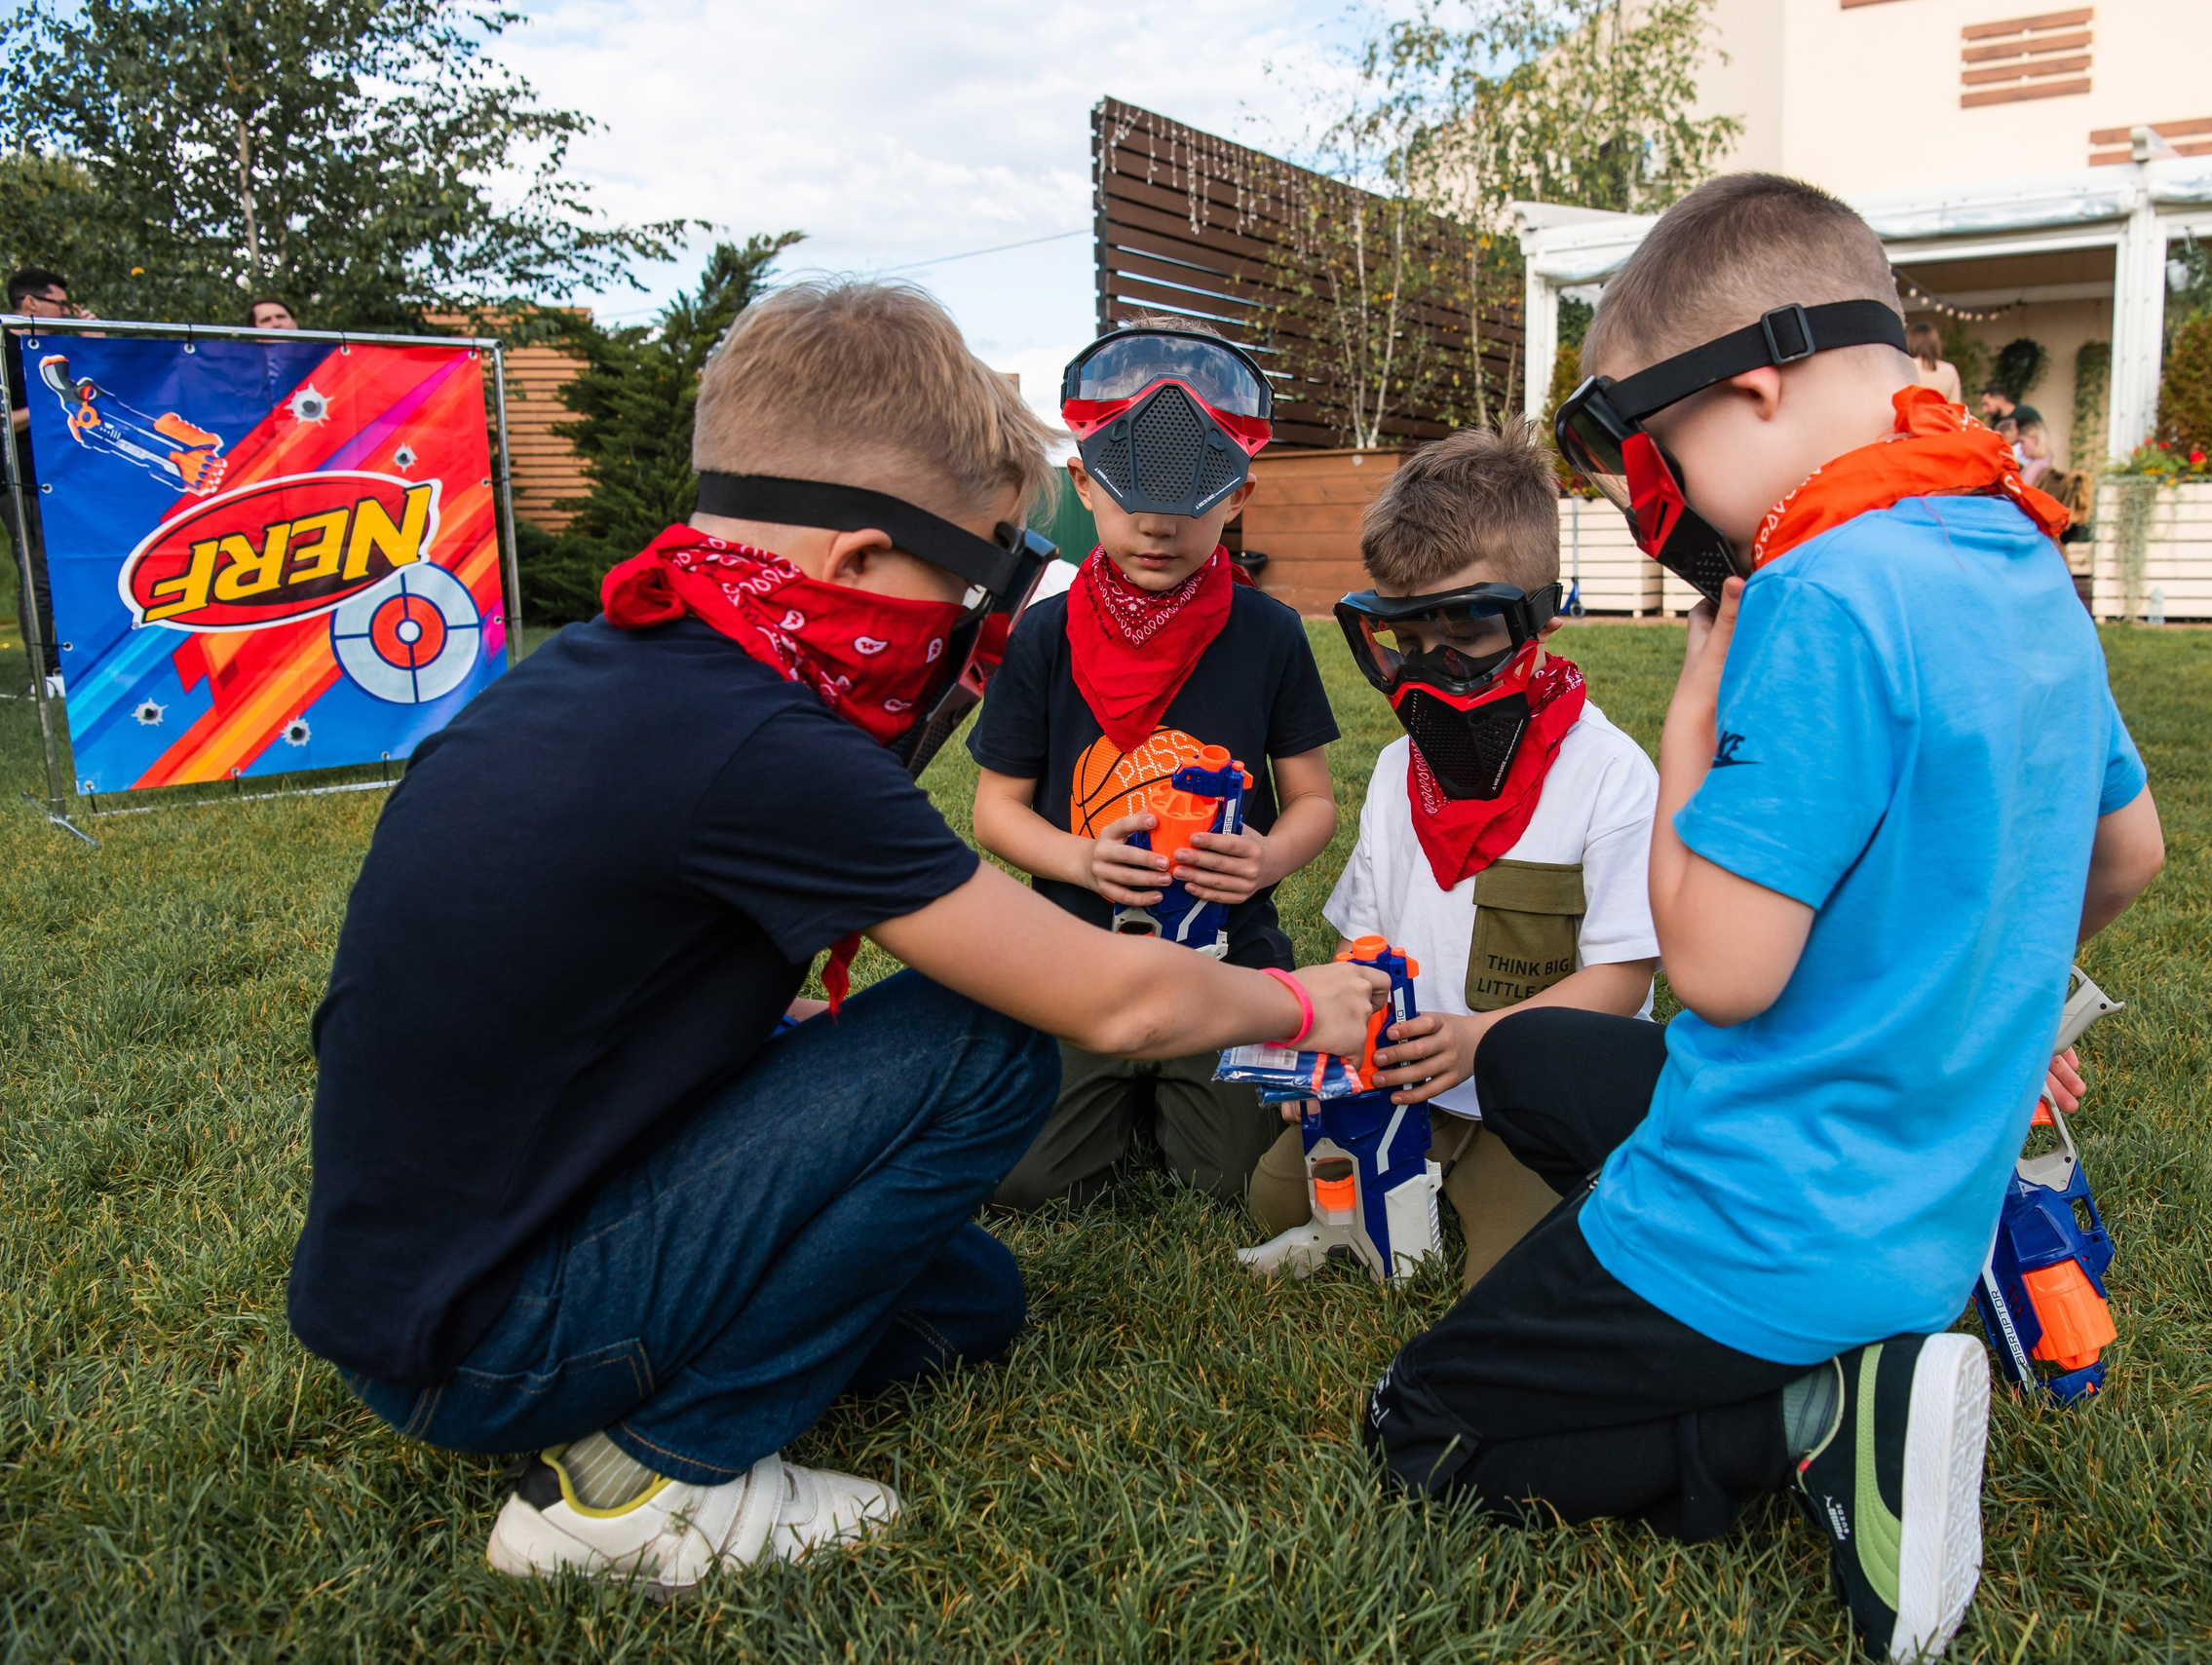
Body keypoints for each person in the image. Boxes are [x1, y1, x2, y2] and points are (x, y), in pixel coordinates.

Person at [286, 280, 1389, 1595]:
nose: (978, 622)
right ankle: (644, 1477)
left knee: (971, 1301)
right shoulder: (764, 743)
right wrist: (1305, 1004)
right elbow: (1110, 1004)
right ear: (862, 559)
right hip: (491, 1332)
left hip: (431, 1281)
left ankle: (643, 1371)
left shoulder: (614, 666)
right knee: (985, 1035)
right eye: (981, 569)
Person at [1380, 173, 2166, 1662]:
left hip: (1764, 1215)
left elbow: (1724, 975)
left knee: (1421, 1426)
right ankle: (1884, 1337)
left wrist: (1692, 721)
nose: (1669, 505)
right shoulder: (2017, 549)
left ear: (1749, 388)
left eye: (1666, 454)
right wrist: (1971, 987)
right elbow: (2126, 852)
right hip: (1926, 1197)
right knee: (1543, 1066)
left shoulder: (1816, 587)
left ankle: (1814, 1413)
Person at [1244, 418, 1659, 1288]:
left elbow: (1622, 981)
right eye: (1409, 640)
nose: (1435, 672)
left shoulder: (1610, 772)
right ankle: (1433, 1173)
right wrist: (1330, 1052)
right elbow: (1363, 946)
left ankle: (1565, 1183)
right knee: (1280, 1196)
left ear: (1540, 612)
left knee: (1513, 1277)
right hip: (1411, 1080)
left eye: (1467, 638)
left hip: (1534, 1095)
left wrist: (1480, 1042)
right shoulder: (1400, 769)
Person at [968, 318, 1341, 1211]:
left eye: (1192, 500)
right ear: (1081, 484)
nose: (1157, 526)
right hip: (1077, 955)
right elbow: (996, 813)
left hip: (1222, 961)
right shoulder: (1046, 634)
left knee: (1236, 1180)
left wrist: (1268, 856)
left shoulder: (1269, 633)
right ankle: (1113, 1086)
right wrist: (1082, 859)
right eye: (1128, 493)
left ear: (1239, 494)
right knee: (1024, 1181)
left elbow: (1313, 801)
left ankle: (1172, 1088)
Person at [4, 267, 88, 679]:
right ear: (31, 303)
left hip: (75, 473)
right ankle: (49, 670)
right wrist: (46, 405)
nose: (69, 312)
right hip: (24, 479)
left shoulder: (59, 346)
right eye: (61, 304)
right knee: (40, 573)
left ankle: (88, 656)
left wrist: (94, 343)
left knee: (83, 565)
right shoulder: (3, 348)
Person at [1904, 322, 1962, 405]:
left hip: (1912, 416)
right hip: (1940, 417)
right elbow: (1956, 406)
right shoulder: (1949, 370)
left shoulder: (1906, 366)